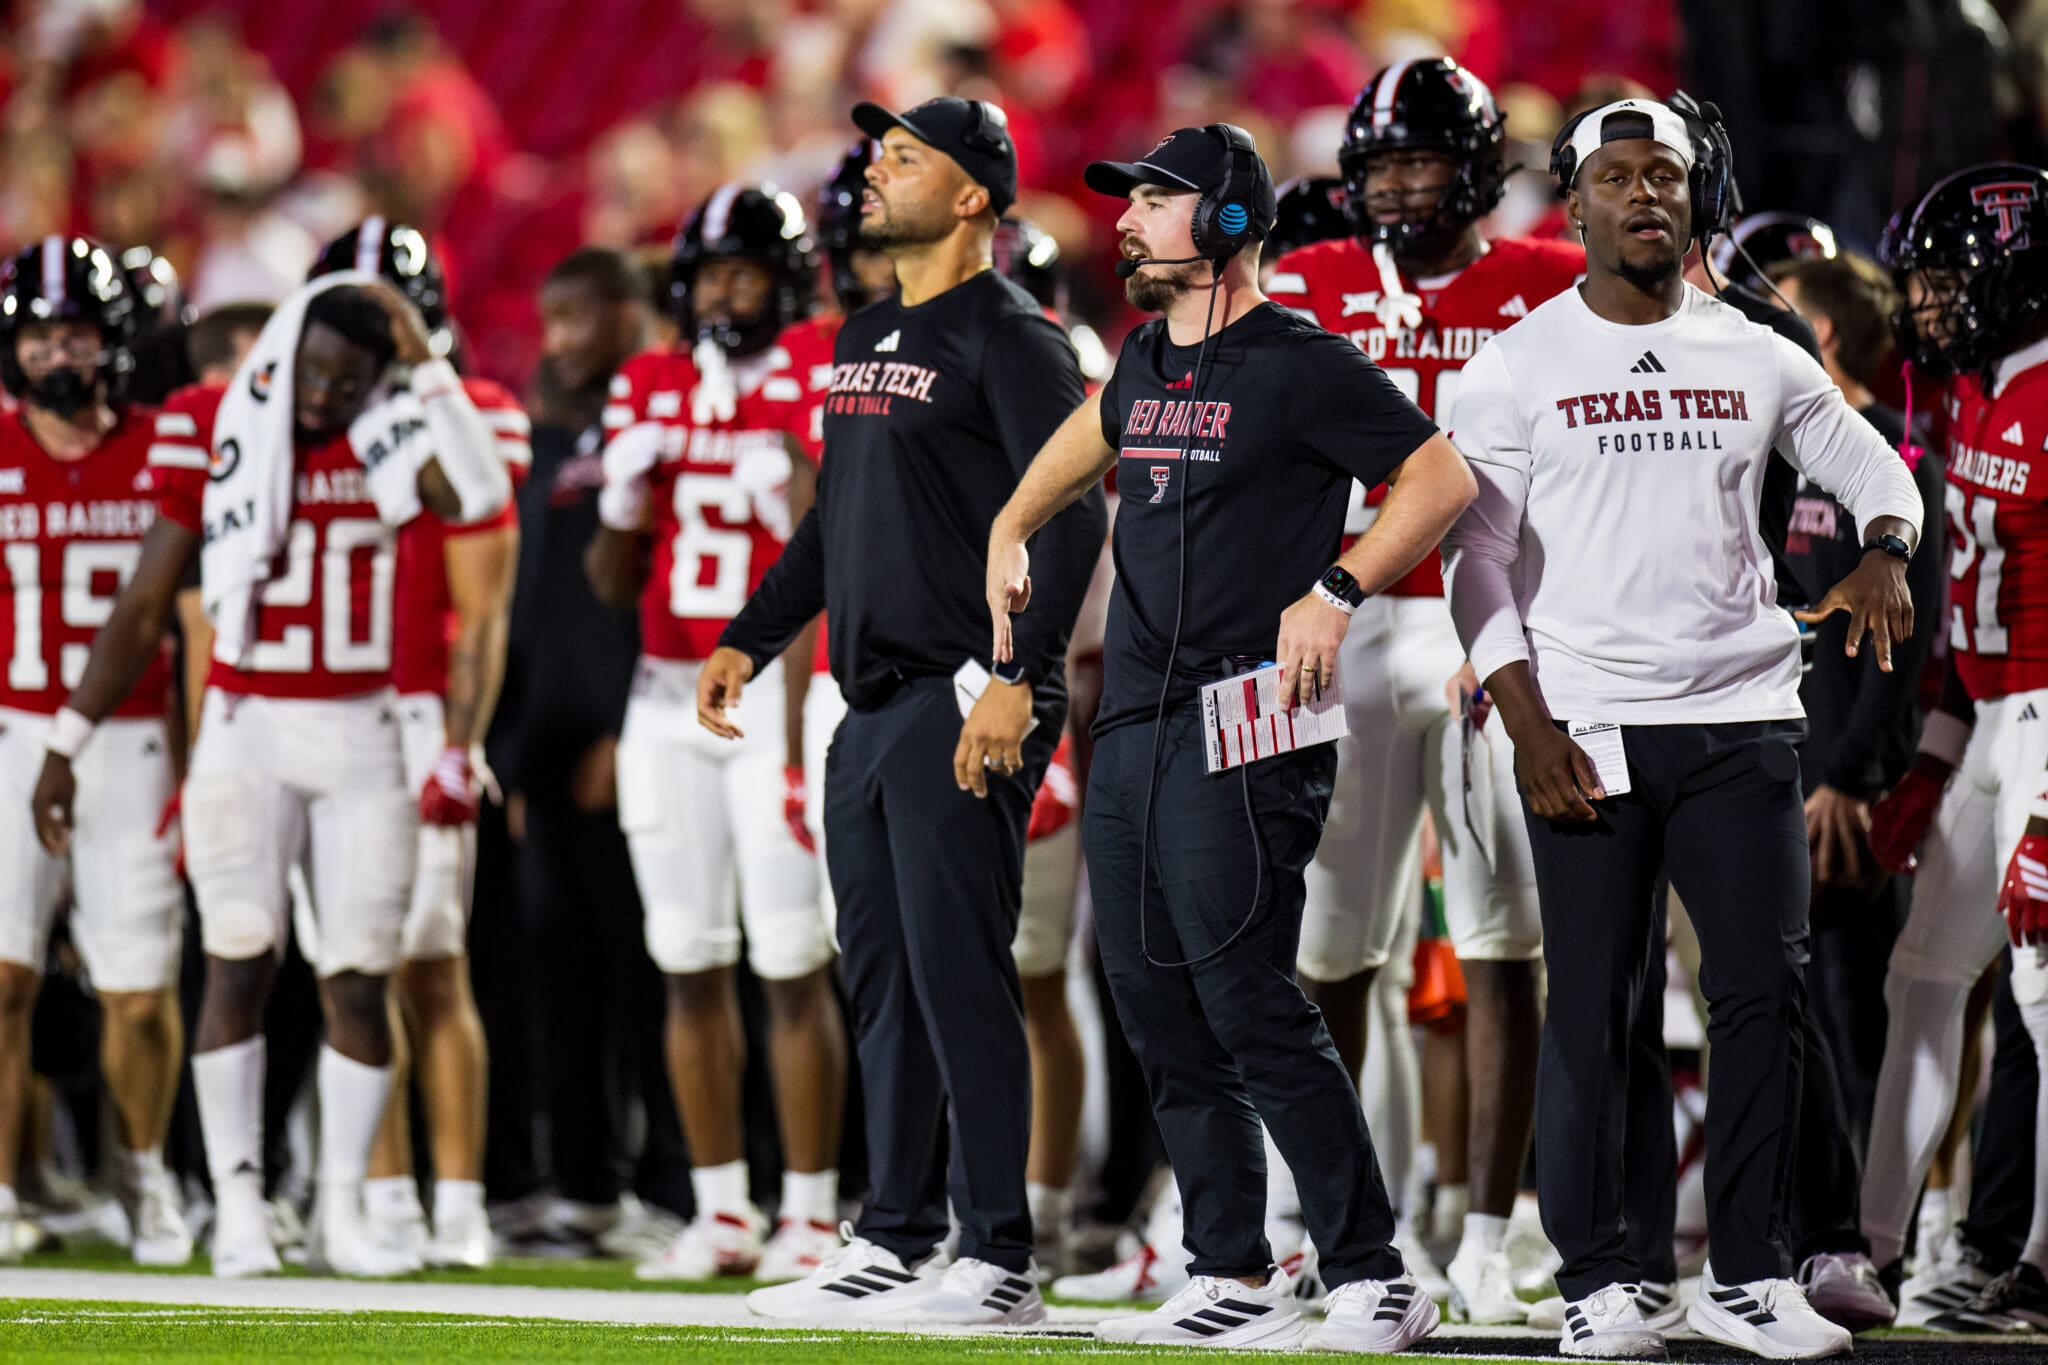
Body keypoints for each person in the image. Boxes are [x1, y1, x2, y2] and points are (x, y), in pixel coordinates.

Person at [1439, 97, 1924, 1360]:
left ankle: (1750, 1276)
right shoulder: (1512, 363)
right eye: (1614, 177)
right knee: (1595, 1009)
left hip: (1740, 718)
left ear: (1695, 198)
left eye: (1664, 175)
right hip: (1584, 723)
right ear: (1576, 199)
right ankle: (1602, 1279)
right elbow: (1473, 558)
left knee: (1764, 997)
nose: (1642, 195)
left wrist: (1882, 549)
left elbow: (1878, 468)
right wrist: (1521, 710)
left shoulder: (1758, 351)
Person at [989, 119, 1476, 1351]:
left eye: (1153, 203)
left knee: (1248, 997)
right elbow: (1094, 430)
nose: (1127, 221)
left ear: (1223, 223)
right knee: (1154, 999)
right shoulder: (1148, 356)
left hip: (1245, 715)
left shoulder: (1301, 360)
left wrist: (1339, 587)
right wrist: (1012, 519)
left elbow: (1438, 478)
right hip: (1137, 719)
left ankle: (1372, 1271)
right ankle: (1225, 1267)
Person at [704, 96, 1105, 1325]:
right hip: (864, 698)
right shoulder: (864, 330)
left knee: (959, 973)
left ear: (974, 195)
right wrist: (751, 635)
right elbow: (839, 518)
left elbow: (1073, 515)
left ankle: (995, 1259)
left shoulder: (1012, 336)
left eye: (905, 158)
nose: (874, 174)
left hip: (958, 694)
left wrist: (1015, 678)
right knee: (880, 977)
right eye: (878, 156)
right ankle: (889, 1236)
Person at [31, 274, 512, 1279]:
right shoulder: (219, 420)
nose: (328, 399)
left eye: (353, 380)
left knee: (359, 977)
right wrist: (68, 738)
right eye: (319, 377)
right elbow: (148, 594)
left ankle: (341, 1212)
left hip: (364, 728)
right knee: (240, 961)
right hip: (247, 727)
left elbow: (474, 496)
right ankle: (241, 1204)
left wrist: (423, 368)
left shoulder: (391, 424)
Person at [1265, 58, 1586, 1323]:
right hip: (1337, 637)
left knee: (1503, 941)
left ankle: (1493, 1236)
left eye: (1422, 162)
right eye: (1383, 164)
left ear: (1477, 169)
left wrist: (1529, 632)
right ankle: (1329, 1226)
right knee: (1328, 944)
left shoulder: (1552, 284)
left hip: (1488, 636)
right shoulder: (1305, 281)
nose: (1401, 187)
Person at [586, 183, 849, 1283]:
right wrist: (616, 500)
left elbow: (828, 556)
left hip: (769, 687)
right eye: (707, 276)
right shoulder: (646, 381)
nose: (722, 295)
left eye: (744, 273)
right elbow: (609, 584)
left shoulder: (821, 367)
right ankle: (721, 1207)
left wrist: (792, 743)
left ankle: (809, 1211)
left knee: (790, 961)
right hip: (661, 694)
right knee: (686, 960)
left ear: (785, 280)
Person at [307, 220, 527, 1271]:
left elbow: (475, 520)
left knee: (433, 964)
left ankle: (456, 1200)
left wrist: (461, 734)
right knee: (353, 968)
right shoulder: (290, 424)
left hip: (427, 702)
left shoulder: (474, 411)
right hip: (332, 706)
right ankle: (377, 1196)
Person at [1856, 162, 2048, 1331]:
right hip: (1987, 717)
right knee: (1920, 978)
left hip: (2045, 719)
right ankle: (1872, 1250)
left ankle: (2037, 1256)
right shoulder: (1972, 386)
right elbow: (1965, 606)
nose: (1923, 304)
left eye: (1942, 281)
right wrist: (1930, 757)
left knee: (2041, 989)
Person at [489, 246, 690, 1251]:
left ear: (630, 313)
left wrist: (623, 727)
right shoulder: (538, 439)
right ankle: (581, 1179)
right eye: (550, 319)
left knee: (653, 968)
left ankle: (674, 1183)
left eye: (579, 317)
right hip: (541, 743)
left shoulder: (658, 427)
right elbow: (518, 611)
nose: (559, 339)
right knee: (555, 970)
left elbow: (644, 592)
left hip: (637, 728)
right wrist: (514, 748)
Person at [0, 237, 190, 1267]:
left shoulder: (167, 444)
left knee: (135, 987)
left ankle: (145, 1173)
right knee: (4, 978)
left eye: (74, 332)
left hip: (133, 738)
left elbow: (188, 618)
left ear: (115, 339)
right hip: (9, 729)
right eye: (38, 334)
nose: (56, 352)